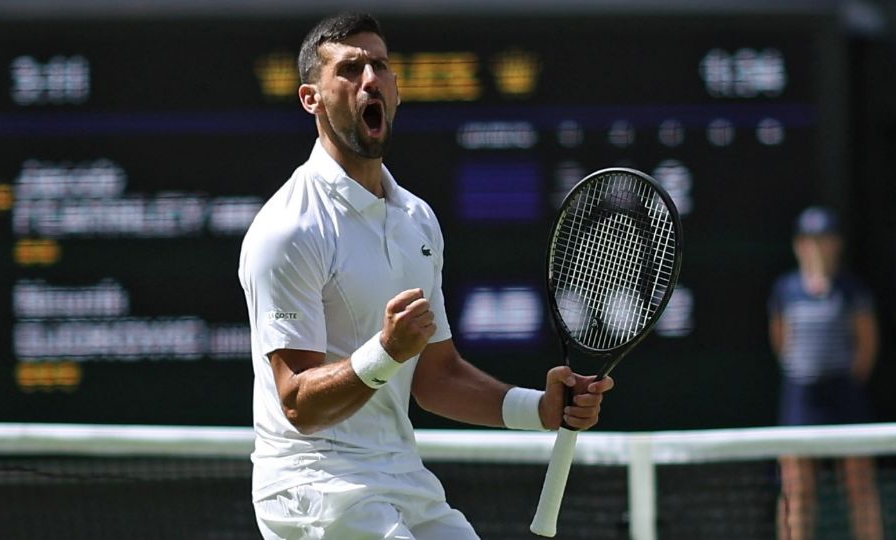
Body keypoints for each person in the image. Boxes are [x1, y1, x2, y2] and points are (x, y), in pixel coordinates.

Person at [238, 12, 614, 540]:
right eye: (349, 69)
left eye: (379, 66)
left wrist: (542, 409)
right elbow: (297, 402)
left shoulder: (417, 218)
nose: (369, 78)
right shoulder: (288, 229)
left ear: (395, 91)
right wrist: (385, 352)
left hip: (401, 476)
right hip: (315, 487)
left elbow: (437, 377)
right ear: (311, 98)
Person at [768, 206, 883, 540]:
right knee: (797, 489)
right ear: (799, 245)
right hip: (801, 398)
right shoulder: (785, 290)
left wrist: (844, 380)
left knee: (860, 484)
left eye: (824, 240)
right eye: (810, 240)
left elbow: (867, 344)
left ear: (836, 244)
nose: (817, 247)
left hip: (844, 396)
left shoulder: (852, 289)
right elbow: (781, 340)